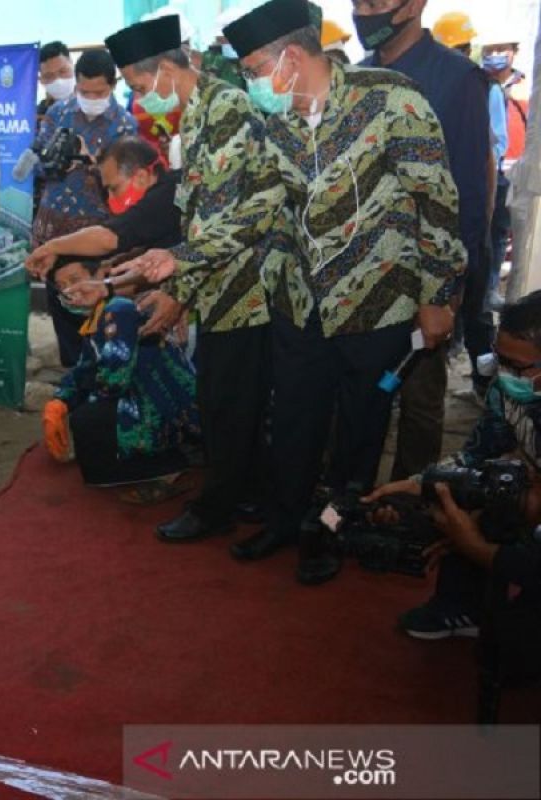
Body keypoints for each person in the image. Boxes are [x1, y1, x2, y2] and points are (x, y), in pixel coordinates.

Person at [223, 0, 466, 583]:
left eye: (255, 67)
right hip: (300, 303)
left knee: (360, 428)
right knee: (297, 420)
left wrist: (439, 294)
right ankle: (286, 520)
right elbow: (257, 208)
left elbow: (436, 201)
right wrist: (180, 257)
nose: (251, 81)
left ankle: (333, 529)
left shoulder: (391, 99)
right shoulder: (271, 119)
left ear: (293, 55)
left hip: (377, 302)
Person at [104, 15, 286, 547]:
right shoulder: (201, 112)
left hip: (240, 279)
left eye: (140, 87)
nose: (142, 99)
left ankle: (217, 507)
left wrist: (175, 279)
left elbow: (221, 210)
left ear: (164, 69)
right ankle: (247, 489)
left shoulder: (225, 107)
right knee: (235, 397)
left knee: (226, 401)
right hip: (218, 273)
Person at [356, 0, 493, 480]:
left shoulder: (457, 79)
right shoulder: (357, 77)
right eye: (356, 2)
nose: (363, 13)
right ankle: (351, 501)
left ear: (414, 5)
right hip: (363, 278)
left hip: (425, 275)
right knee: (360, 396)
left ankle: (409, 505)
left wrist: (451, 286)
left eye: (374, 3)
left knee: (419, 400)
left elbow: (471, 194)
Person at [364, 292, 541, 639]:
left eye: (517, 366)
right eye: (498, 360)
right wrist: (418, 486)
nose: (504, 375)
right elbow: (474, 456)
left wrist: (475, 545)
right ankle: (462, 606)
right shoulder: (506, 391)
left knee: (515, 649)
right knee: (477, 488)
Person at [43, 257, 199, 491]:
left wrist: (78, 403)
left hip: (160, 403)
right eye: (62, 285)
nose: (70, 290)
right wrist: (60, 400)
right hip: (144, 396)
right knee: (82, 409)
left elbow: (114, 380)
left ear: (102, 277)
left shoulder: (119, 310)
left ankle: (168, 465)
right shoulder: (95, 321)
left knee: (86, 419)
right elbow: (84, 369)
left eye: (76, 280)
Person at [32, 49, 137, 367]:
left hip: (98, 234)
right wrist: (51, 160)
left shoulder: (125, 125)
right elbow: (36, 164)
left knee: (98, 307)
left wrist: (92, 161)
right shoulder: (57, 114)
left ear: (114, 84)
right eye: (84, 91)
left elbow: (127, 184)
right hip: (53, 228)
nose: (90, 98)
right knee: (61, 304)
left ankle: (99, 375)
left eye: (99, 92)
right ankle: (70, 372)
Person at [26, 136, 180, 274]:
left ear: (141, 177)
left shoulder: (169, 194)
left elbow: (108, 239)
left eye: (114, 189)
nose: (110, 199)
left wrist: (50, 247)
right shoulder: (165, 199)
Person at [482, 31, 530, 301]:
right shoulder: (477, 83)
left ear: (514, 51)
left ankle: (491, 287)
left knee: (502, 233)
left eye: (501, 48)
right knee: (483, 233)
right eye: (490, 48)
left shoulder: (526, 87)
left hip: (514, 172)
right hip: (490, 171)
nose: (495, 54)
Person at [37, 41, 76, 122]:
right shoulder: (35, 116)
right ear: (41, 80)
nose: (58, 81)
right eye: (49, 76)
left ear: (73, 67)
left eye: (63, 71)